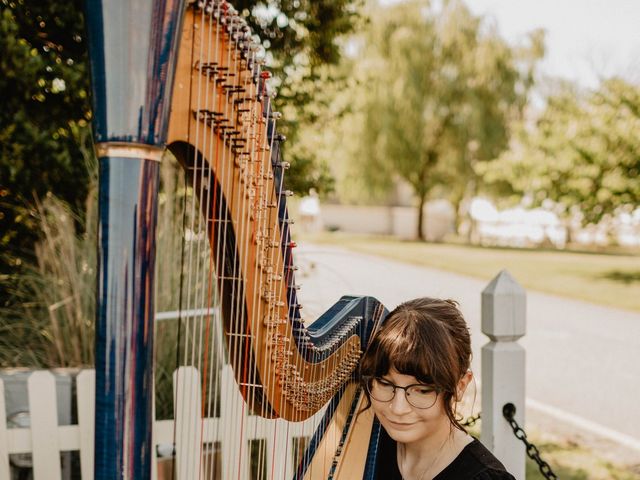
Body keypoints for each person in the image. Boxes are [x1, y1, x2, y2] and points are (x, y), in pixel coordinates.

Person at [360, 297, 515, 480]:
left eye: (422, 390)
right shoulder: (370, 444)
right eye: (385, 384)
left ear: (460, 386)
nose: (397, 408)